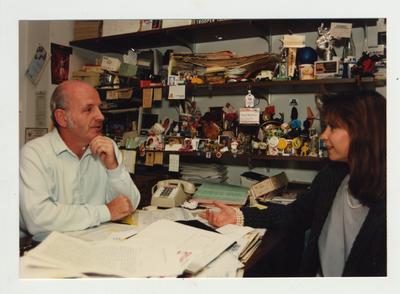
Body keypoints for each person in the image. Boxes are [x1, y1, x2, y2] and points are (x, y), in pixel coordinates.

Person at [201, 90, 386, 277]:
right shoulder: (333, 174)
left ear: (362, 132)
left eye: (333, 127)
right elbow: (295, 214)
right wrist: (238, 216)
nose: (323, 136)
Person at [20, 80, 141, 237]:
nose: (101, 116)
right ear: (62, 118)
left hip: (96, 245)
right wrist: (105, 212)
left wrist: (114, 168)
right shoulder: (34, 154)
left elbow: (127, 206)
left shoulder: (107, 147)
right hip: (48, 251)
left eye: (100, 108)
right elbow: (38, 219)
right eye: (89, 109)